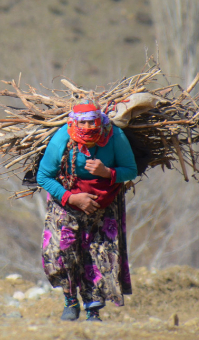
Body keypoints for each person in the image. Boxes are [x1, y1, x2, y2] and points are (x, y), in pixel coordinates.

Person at [37, 99, 137, 321]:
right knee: (62, 250)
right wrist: (72, 198)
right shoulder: (63, 137)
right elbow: (43, 176)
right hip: (67, 198)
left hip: (105, 201)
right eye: (84, 124)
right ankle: (70, 300)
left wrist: (107, 172)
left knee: (100, 252)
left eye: (94, 123)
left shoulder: (114, 136)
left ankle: (93, 311)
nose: (90, 129)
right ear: (74, 124)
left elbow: (130, 170)